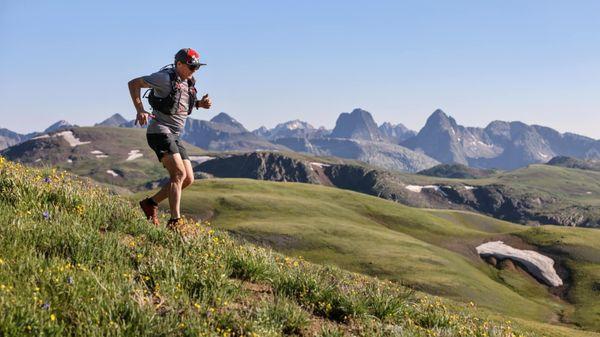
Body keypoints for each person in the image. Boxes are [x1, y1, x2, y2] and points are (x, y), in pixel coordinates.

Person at [128, 48, 211, 228]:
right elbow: (133, 83)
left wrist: (200, 104)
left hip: (174, 134)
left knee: (188, 179)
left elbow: (179, 103)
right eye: (191, 66)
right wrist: (140, 110)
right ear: (179, 64)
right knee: (178, 174)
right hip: (159, 131)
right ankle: (175, 222)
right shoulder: (164, 78)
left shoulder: (188, 81)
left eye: (196, 67)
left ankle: (150, 204)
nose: (194, 70)